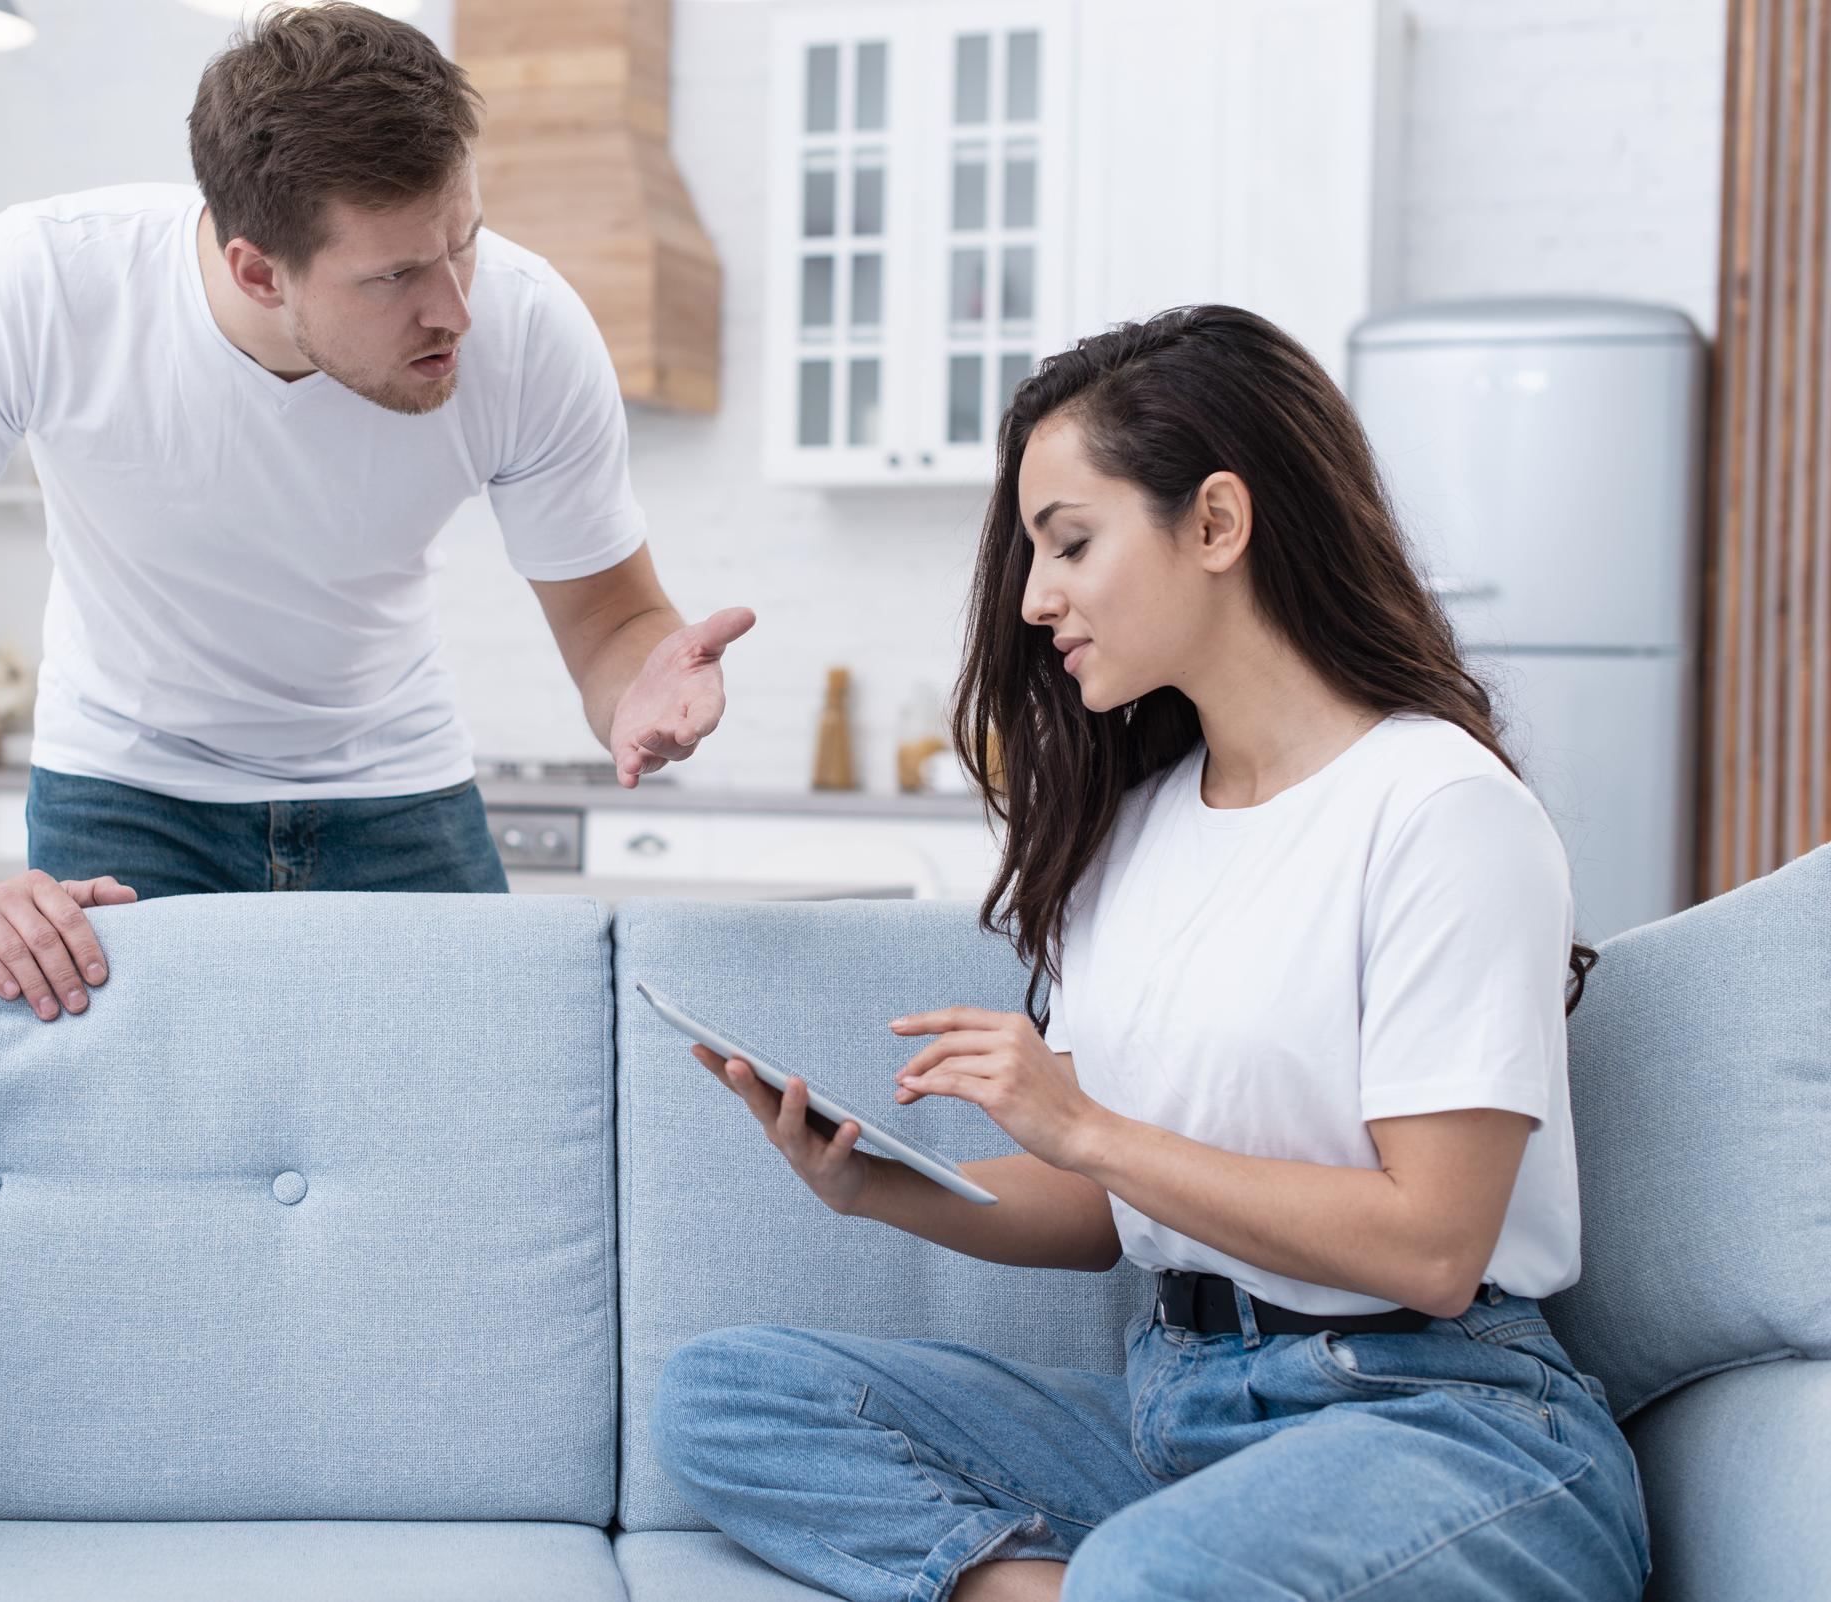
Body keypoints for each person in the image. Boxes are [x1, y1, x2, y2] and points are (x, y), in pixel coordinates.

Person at [650, 305, 1650, 1602]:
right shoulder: (1131, 832)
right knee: (728, 1395)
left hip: (1447, 1425)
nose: (1031, 597)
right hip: (1180, 1413)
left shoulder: (1439, 808)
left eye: (1069, 542)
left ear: (1217, 524)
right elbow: (1111, 1211)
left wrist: (1088, 1127)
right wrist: (875, 1187)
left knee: (1151, 1570)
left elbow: (1431, 1246)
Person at [0, 4, 751, 1024]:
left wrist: (637, 686)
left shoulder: (529, 327)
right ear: (255, 270)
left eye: (465, 242)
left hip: (399, 795)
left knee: (478, 1117)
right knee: (143, 1158)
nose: (454, 305)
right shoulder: (38, 285)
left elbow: (609, 620)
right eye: (397, 275)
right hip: (127, 792)